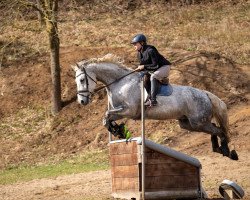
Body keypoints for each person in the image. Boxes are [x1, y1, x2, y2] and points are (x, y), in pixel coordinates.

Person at [131, 34, 171, 106]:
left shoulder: (150, 50)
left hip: (164, 67)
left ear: (142, 43)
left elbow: (155, 65)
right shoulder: (139, 54)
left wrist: (143, 66)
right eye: (133, 44)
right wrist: (139, 69)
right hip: (155, 69)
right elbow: (145, 67)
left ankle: (153, 100)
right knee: (142, 77)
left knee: (153, 77)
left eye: (135, 44)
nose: (134, 46)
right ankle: (147, 97)